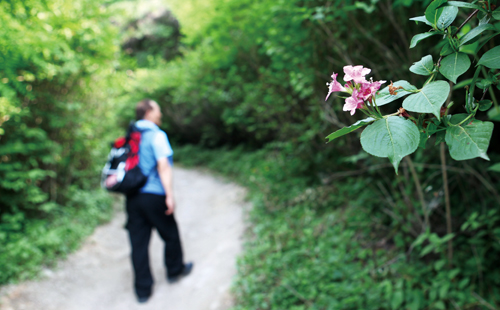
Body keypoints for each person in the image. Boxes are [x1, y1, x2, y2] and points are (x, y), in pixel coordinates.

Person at [125, 98, 193, 303]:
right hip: (154, 195)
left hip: (132, 197)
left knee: (138, 244)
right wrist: (169, 195)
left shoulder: (131, 136)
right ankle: (175, 271)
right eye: (158, 110)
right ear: (148, 112)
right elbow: (163, 165)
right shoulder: (156, 135)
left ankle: (142, 291)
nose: (160, 114)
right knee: (170, 233)